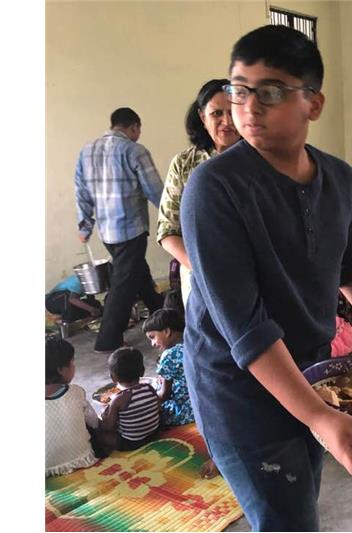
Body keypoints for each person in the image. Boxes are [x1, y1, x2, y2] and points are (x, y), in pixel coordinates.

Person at [179, 25, 352, 531]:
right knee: (285, 517)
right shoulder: (214, 188)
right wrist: (321, 417)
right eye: (239, 90)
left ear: (313, 104)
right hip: (239, 387)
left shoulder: (339, 178)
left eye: (271, 92)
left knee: (302, 495)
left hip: (315, 370)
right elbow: (246, 328)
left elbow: (349, 263)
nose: (249, 106)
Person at [75, 107, 164, 352]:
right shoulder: (134, 151)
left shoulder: (87, 151)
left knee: (137, 274)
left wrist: (85, 226)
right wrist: (177, 218)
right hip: (131, 230)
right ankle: (108, 339)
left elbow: (81, 192)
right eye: (138, 130)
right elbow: (156, 191)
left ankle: (162, 314)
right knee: (122, 284)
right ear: (134, 127)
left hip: (107, 233)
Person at [157, 79, 241, 305]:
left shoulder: (260, 159)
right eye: (217, 114)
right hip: (200, 277)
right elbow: (167, 230)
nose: (227, 121)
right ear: (203, 118)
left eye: (233, 112)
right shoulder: (185, 164)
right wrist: (201, 269)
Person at [46, 339, 100, 476]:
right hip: (82, 459)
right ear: (60, 369)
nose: (74, 366)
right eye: (72, 362)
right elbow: (95, 423)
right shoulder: (76, 392)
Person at [98, 347, 161, 451]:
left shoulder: (118, 399)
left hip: (131, 442)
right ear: (142, 371)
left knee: (101, 436)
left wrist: (103, 416)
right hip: (154, 434)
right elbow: (158, 408)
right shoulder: (149, 388)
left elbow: (108, 426)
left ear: (113, 377)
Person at [142, 309, 193, 426]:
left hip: (187, 408)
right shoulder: (193, 341)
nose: (153, 343)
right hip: (203, 399)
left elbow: (165, 394)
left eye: (152, 337)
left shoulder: (170, 355)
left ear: (167, 331)